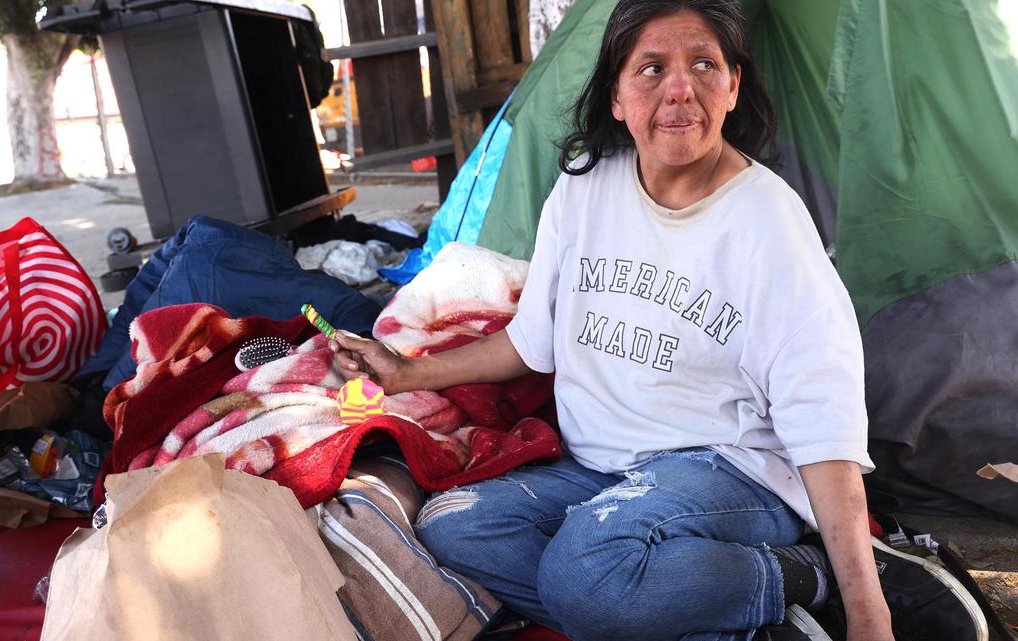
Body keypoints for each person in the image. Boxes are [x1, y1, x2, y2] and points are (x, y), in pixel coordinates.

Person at [330, 1, 982, 640]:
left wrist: (871, 611)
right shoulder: (582, 197)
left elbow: (823, 419)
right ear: (615, 96)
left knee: (586, 569)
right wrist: (401, 371)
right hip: (604, 471)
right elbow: (531, 344)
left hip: (729, 470)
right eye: (649, 68)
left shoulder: (767, 223)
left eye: (703, 64)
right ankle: (739, 620)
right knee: (455, 522)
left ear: (732, 87)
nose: (678, 89)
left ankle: (807, 578)